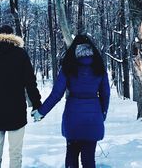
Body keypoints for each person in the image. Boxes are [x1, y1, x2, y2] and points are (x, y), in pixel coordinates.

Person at [33, 34, 110, 168]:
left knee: (71, 156)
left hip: (73, 117)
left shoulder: (69, 65)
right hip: (93, 117)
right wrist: (102, 113)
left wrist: (41, 112)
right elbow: (106, 94)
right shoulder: (99, 66)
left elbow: (57, 94)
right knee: (89, 160)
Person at [0, 25, 42, 168]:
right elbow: (30, 82)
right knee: (15, 152)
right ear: (13, 37)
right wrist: (36, 103)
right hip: (16, 111)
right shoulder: (20, 54)